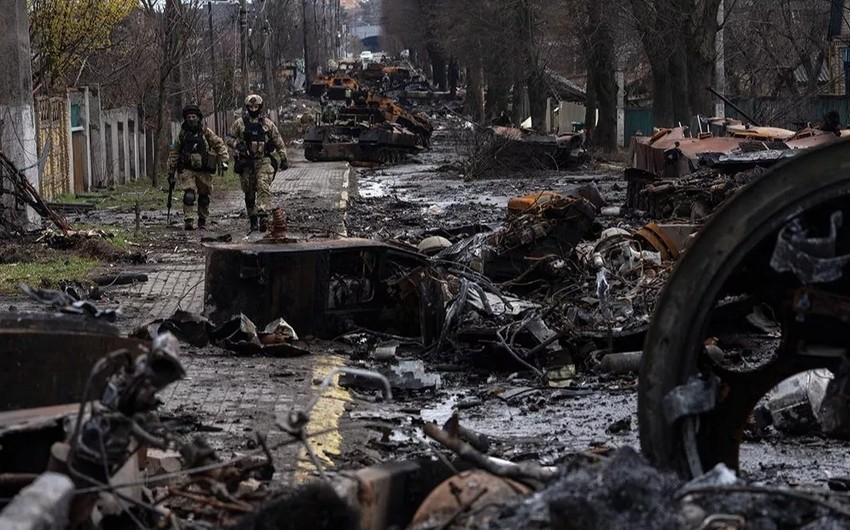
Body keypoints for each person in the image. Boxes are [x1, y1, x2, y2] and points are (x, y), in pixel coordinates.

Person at [227, 94, 289, 232]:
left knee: (263, 186)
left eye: (256, 107)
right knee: (249, 192)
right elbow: (229, 138)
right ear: (247, 107)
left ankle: (263, 216)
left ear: (260, 107)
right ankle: (253, 219)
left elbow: (278, 140)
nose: (253, 109)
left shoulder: (267, 124)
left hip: (263, 161)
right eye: (250, 107)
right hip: (246, 162)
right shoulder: (239, 123)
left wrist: (283, 158)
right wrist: (238, 145)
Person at [167, 104, 229, 230]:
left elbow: (219, 144)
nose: (191, 119)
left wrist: (224, 159)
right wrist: (171, 170)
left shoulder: (205, 132)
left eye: (193, 116)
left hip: (203, 169)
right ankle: (189, 220)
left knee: (204, 196)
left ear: (198, 117)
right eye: (189, 117)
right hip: (187, 168)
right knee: (189, 194)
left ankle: (202, 219)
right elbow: (174, 151)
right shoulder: (182, 134)